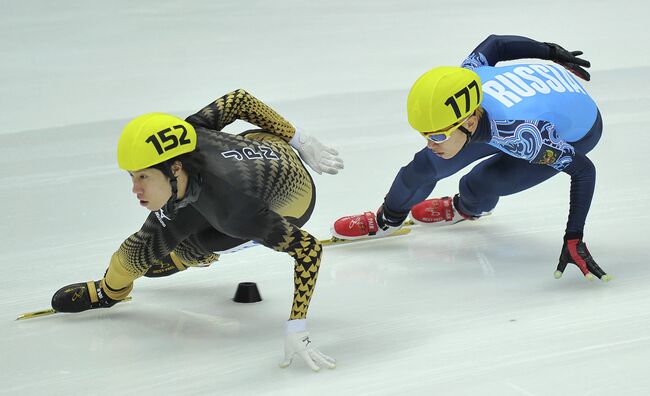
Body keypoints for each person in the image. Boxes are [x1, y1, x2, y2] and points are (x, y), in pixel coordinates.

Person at [51, 89, 343, 371]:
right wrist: (299, 138)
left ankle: (179, 259)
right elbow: (240, 99)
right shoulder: (189, 133)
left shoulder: (236, 212)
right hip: (259, 148)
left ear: (175, 170)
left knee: (198, 241)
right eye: (131, 176)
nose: (135, 189)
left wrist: (297, 325)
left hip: (288, 203)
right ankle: (120, 285)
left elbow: (309, 249)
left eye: (143, 177)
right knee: (135, 253)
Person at [332, 34, 610, 281]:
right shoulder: (468, 77)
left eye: (438, 136)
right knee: (424, 165)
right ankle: (387, 220)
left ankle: (467, 207)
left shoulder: (526, 137)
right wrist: (550, 51)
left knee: (481, 183)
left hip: (576, 129)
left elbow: (584, 171)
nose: (430, 143)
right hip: (532, 98)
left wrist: (574, 236)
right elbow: (495, 44)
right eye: (426, 134)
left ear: (469, 122)